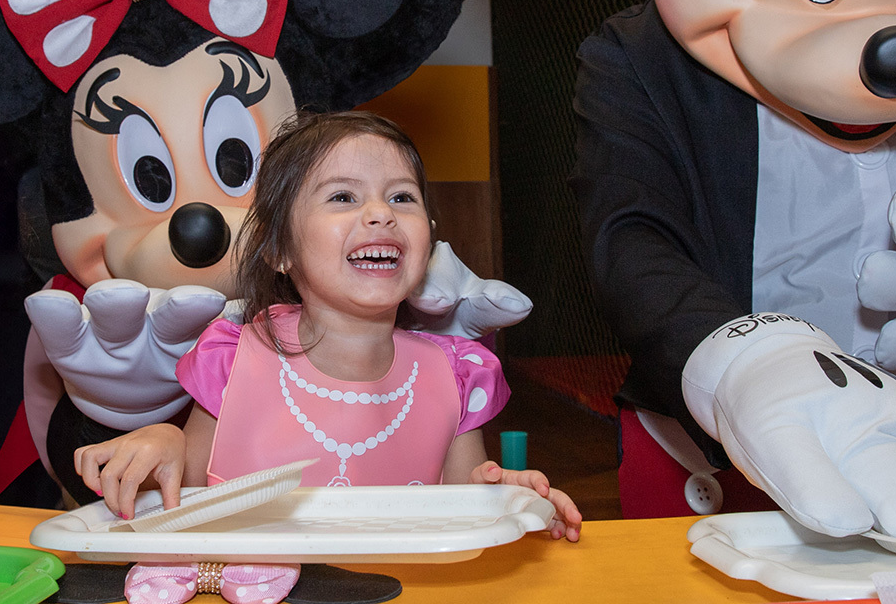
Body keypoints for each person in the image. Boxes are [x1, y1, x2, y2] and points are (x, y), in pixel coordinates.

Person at [73, 111, 582, 544]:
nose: (381, 213)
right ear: (278, 249)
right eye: (342, 197)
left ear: (427, 239)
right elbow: (184, 492)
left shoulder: (455, 374)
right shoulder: (233, 356)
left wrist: (508, 496)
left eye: (402, 198)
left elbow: (465, 503)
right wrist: (164, 440)